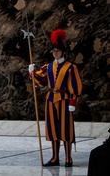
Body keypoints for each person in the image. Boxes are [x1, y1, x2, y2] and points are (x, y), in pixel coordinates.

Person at [28, 28, 82, 167]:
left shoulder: (70, 67)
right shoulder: (49, 66)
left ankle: (68, 158)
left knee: (65, 128)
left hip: (64, 99)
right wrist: (32, 72)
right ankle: (55, 157)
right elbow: (41, 80)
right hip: (50, 99)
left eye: (57, 51)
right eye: (53, 51)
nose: (55, 53)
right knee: (53, 129)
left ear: (62, 52)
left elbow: (75, 85)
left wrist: (73, 101)